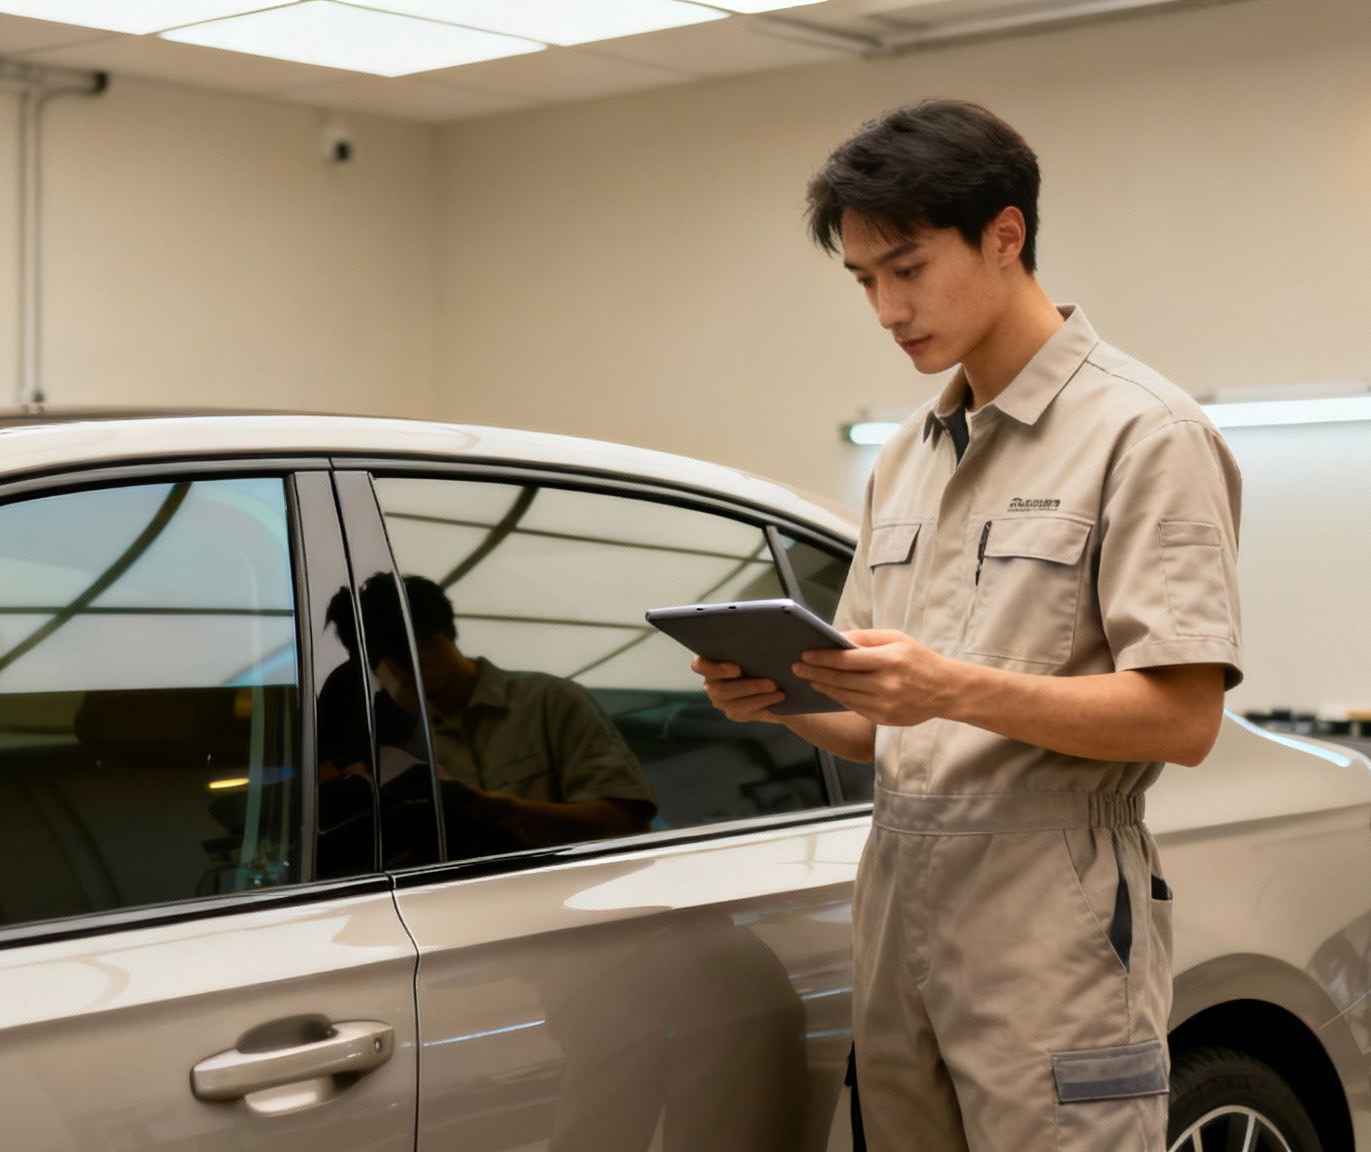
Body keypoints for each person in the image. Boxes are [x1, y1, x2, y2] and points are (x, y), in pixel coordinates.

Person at [695, 99, 1243, 1152]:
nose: (886, 308)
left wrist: (949, 687)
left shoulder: (1144, 433)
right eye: (863, 281)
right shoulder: (904, 454)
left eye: (905, 268)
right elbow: (875, 725)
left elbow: (1181, 720)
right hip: (897, 891)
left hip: (1055, 911)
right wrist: (780, 700)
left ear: (1005, 235)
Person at [355, 573, 657, 853]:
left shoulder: (549, 701)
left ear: (447, 632)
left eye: (419, 648)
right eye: (391, 661)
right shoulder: (390, 742)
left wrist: (505, 810)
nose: (410, 669)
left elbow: (626, 824)